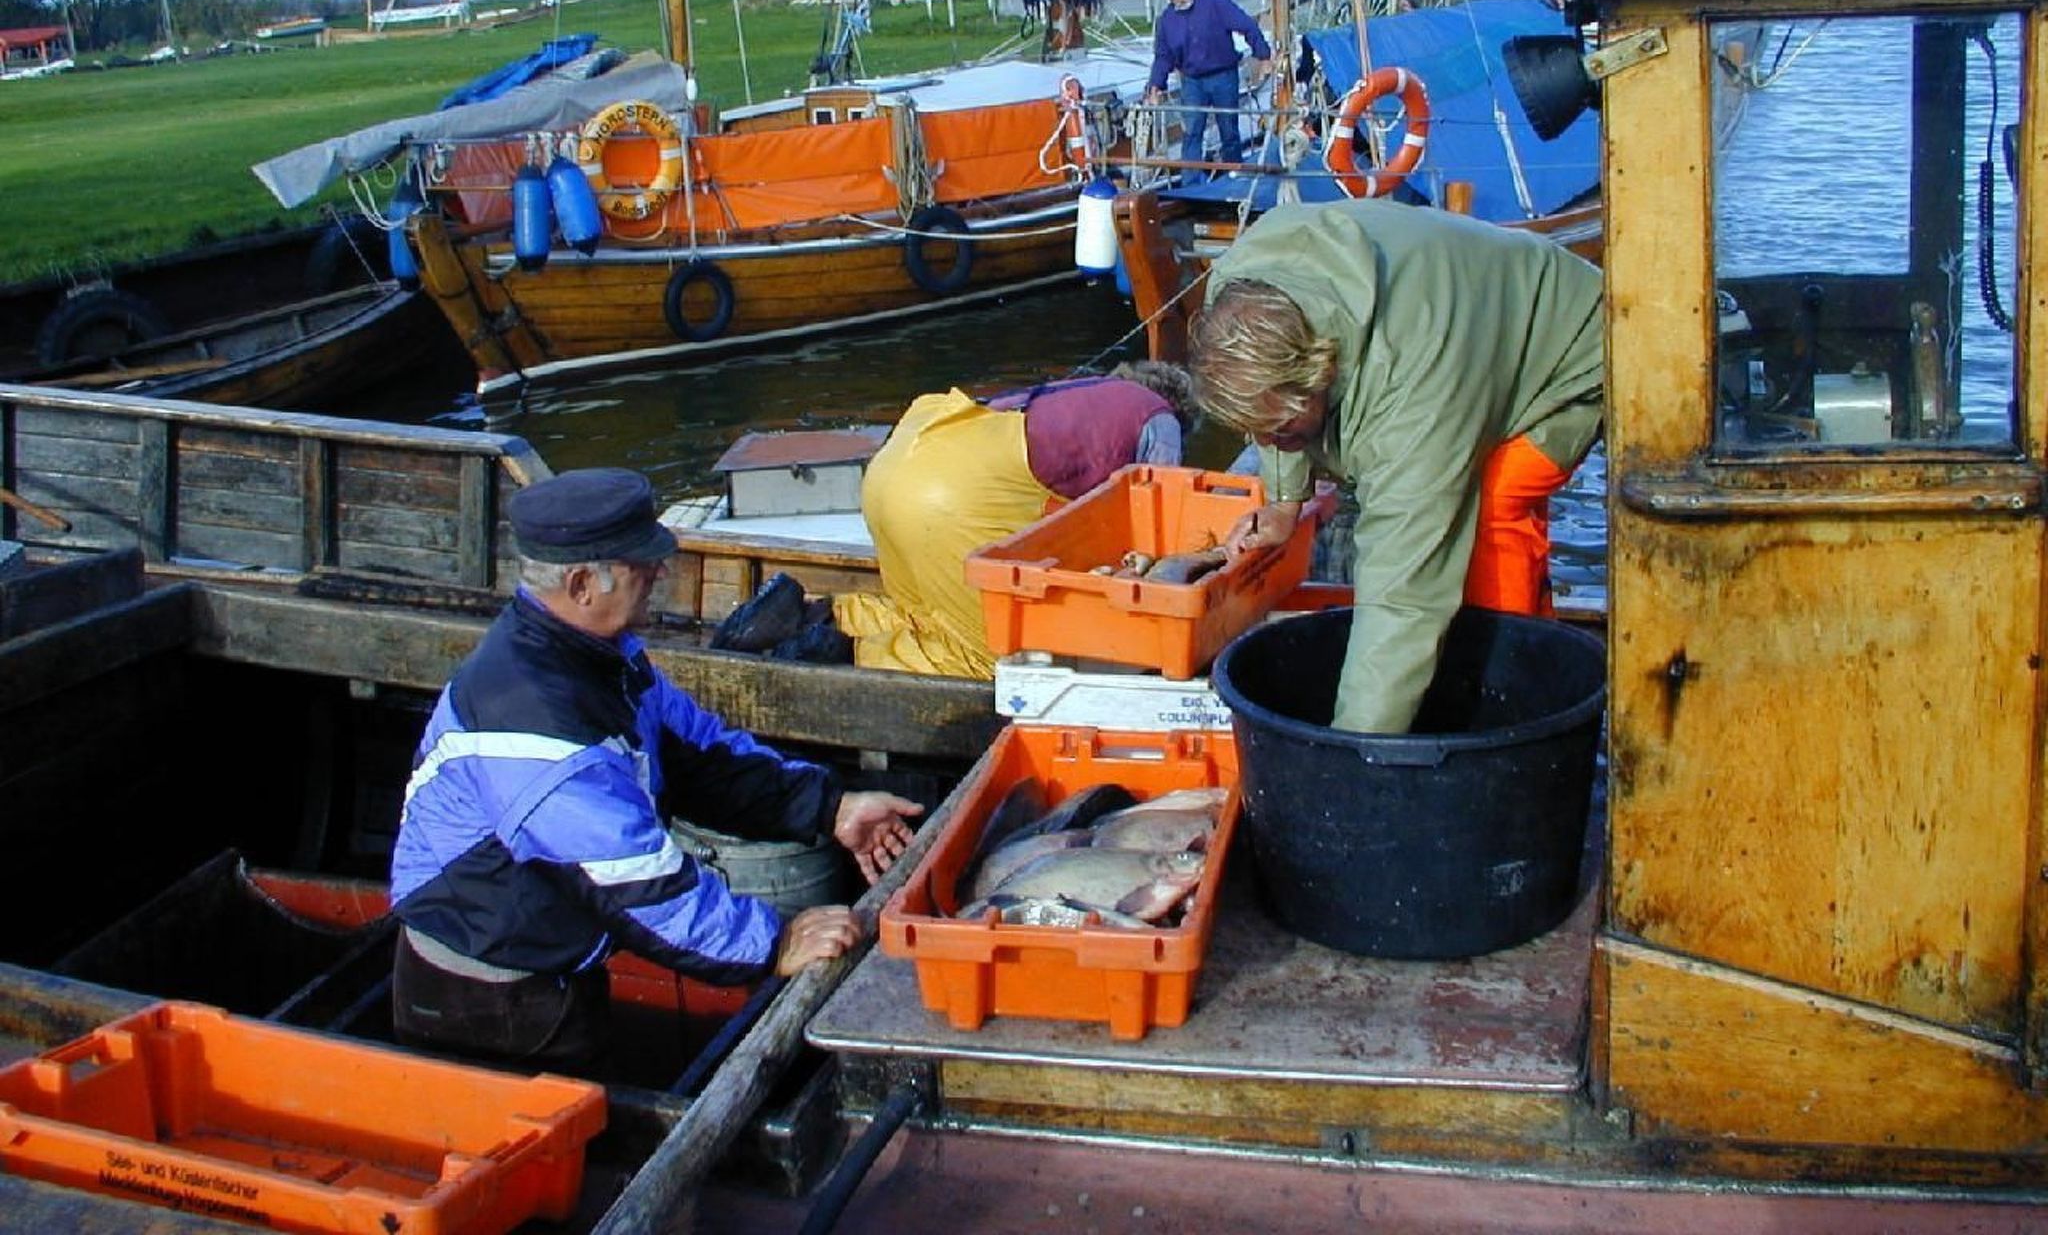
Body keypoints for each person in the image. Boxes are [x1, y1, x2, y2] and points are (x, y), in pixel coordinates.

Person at [389, 467, 921, 1074]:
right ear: (583, 583)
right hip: (490, 996)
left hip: (555, 958)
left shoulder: (602, 657)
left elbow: (701, 754)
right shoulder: (531, 725)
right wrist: (774, 942)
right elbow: (636, 883)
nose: (659, 574)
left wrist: (831, 807)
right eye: (642, 564)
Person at [1187, 201, 1603, 736]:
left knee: (1492, 503)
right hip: (1468, 320)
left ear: (1321, 371)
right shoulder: (1240, 288)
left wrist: (1354, 747)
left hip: (1569, 352)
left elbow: (1402, 593)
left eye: (1283, 434)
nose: (1269, 442)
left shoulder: (1413, 394)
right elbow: (1272, 407)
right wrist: (1284, 500)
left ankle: (1511, 690)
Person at [712, 361, 1199, 679]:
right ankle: (843, 653)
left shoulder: (1075, 392)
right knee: (994, 656)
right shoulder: (1160, 419)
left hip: (896, 467)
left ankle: (813, 613)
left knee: (921, 612)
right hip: (953, 498)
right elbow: (1157, 517)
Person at [1144, 0, 1274, 168]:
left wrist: (1263, 56)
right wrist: (1155, 85)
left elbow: (1246, 25)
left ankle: (1234, 173)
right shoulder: (1167, 21)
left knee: (1229, 130)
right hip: (1192, 81)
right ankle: (1191, 183)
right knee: (1192, 132)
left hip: (1223, 75)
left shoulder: (1214, 2)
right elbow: (1163, 56)